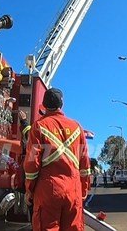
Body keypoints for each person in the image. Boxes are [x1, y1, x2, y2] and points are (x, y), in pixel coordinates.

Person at [23, 88, 91, 231]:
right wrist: (83, 190)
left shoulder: (39, 126)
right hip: (73, 190)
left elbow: (31, 164)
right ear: (62, 104)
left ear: (44, 105)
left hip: (48, 190)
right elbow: (85, 165)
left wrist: (30, 190)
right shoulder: (77, 127)